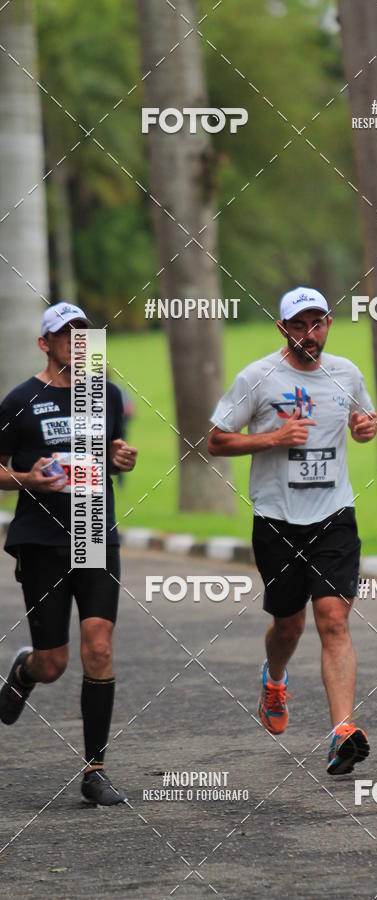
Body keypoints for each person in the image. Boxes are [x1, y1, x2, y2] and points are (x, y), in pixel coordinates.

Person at [208, 286, 377, 775]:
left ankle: (342, 731)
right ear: (283, 328)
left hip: (334, 515)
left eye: (317, 323)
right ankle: (275, 679)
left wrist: (364, 428)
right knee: (290, 624)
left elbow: (362, 420)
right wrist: (273, 438)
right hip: (277, 519)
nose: (310, 334)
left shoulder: (346, 373)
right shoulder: (257, 378)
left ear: (329, 323)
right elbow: (216, 441)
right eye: (298, 325)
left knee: (332, 620)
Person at [0, 302, 137, 806]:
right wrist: (24, 478)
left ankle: (95, 769)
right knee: (54, 663)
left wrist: (121, 456)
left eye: (84, 336)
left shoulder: (107, 395)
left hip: (95, 530)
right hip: (40, 540)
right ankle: (25, 669)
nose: (77, 344)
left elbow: (112, 455)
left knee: (98, 646)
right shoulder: (18, 400)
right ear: (46, 344)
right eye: (65, 336)